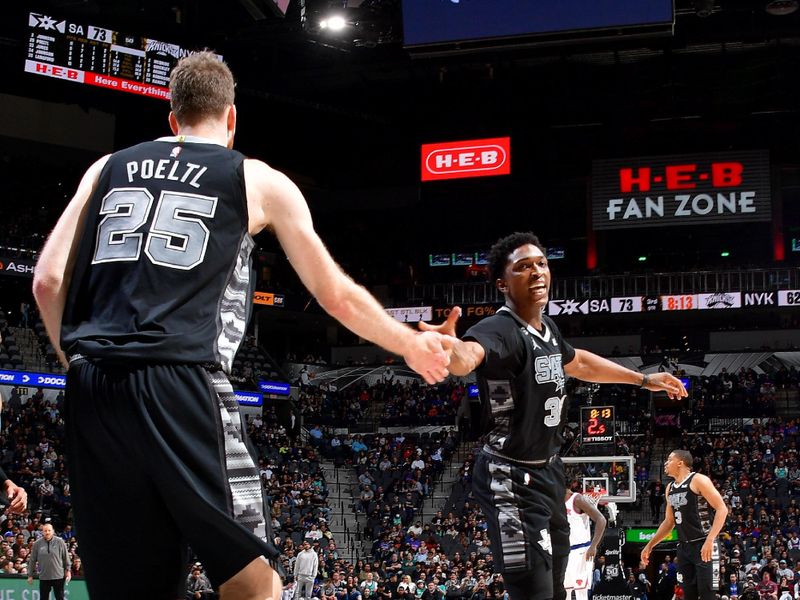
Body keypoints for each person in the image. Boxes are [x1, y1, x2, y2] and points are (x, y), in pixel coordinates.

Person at [32, 51, 452, 600]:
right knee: (255, 581)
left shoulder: (106, 167)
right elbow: (336, 295)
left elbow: (46, 279)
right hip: (181, 382)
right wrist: (410, 346)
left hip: (93, 391)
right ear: (231, 118)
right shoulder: (254, 178)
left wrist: (77, 364)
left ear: (171, 117)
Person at [419, 231, 687, 600]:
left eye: (542, 264)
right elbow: (469, 355)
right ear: (502, 283)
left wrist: (643, 380)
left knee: (558, 589)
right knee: (534, 592)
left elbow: (578, 363)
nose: (537, 272)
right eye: (523, 267)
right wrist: (448, 353)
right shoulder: (499, 328)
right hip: (508, 476)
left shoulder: (547, 330)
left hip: (548, 471)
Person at [640, 450, 729, 600]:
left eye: (669, 460)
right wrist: (650, 545)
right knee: (688, 595)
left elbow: (722, 509)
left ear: (680, 463)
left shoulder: (698, 480)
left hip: (704, 544)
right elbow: (669, 522)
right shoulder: (670, 488)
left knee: (707, 594)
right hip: (684, 548)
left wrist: (710, 539)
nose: (666, 463)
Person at [563, 490, 607, 600]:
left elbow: (601, 520)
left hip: (581, 551)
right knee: (564, 589)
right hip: (563, 550)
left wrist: (593, 545)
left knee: (581, 591)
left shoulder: (577, 499)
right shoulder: (556, 499)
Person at [26, 523, 70, 600]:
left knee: (60, 598)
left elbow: (65, 557)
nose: (47, 532)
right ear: (42, 532)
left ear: (53, 531)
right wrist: (30, 575)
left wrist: (68, 571)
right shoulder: (37, 544)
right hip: (44, 576)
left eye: (49, 530)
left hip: (58, 576)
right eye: (45, 531)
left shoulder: (60, 542)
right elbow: (32, 560)